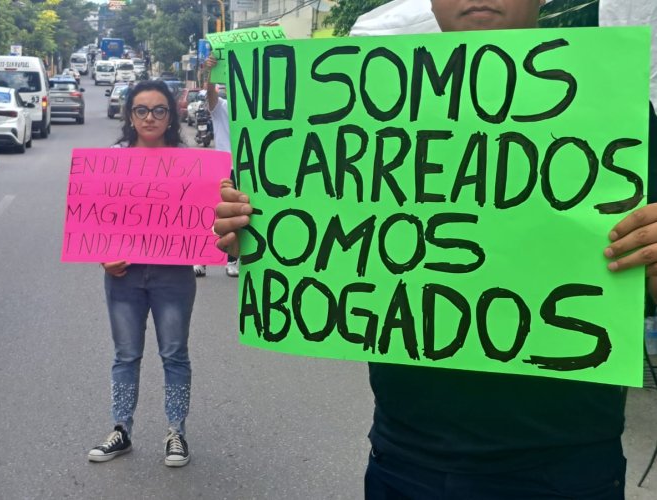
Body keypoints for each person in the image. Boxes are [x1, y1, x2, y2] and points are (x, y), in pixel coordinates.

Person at [213, 1, 657, 498]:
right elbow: (319, 230)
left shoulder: (616, 103)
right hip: (405, 459)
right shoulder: (370, 102)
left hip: (567, 466)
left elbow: (643, 283)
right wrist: (254, 228)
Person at [88, 80, 196, 468]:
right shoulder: (110, 159)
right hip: (124, 276)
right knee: (125, 355)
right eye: (141, 110)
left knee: (174, 354)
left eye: (159, 110)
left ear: (171, 117)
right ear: (130, 116)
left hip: (174, 276)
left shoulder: (190, 162)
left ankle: (176, 432)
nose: (150, 117)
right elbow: (92, 216)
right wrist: (103, 256)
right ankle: (121, 429)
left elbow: (202, 218)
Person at [193, 55, 239, 278]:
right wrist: (210, 74)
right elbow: (211, 95)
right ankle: (200, 258)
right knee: (210, 214)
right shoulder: (222, 107)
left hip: (246, 172)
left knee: (236, 217)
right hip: (222, 169)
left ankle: (232, 260)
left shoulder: (260, 113)